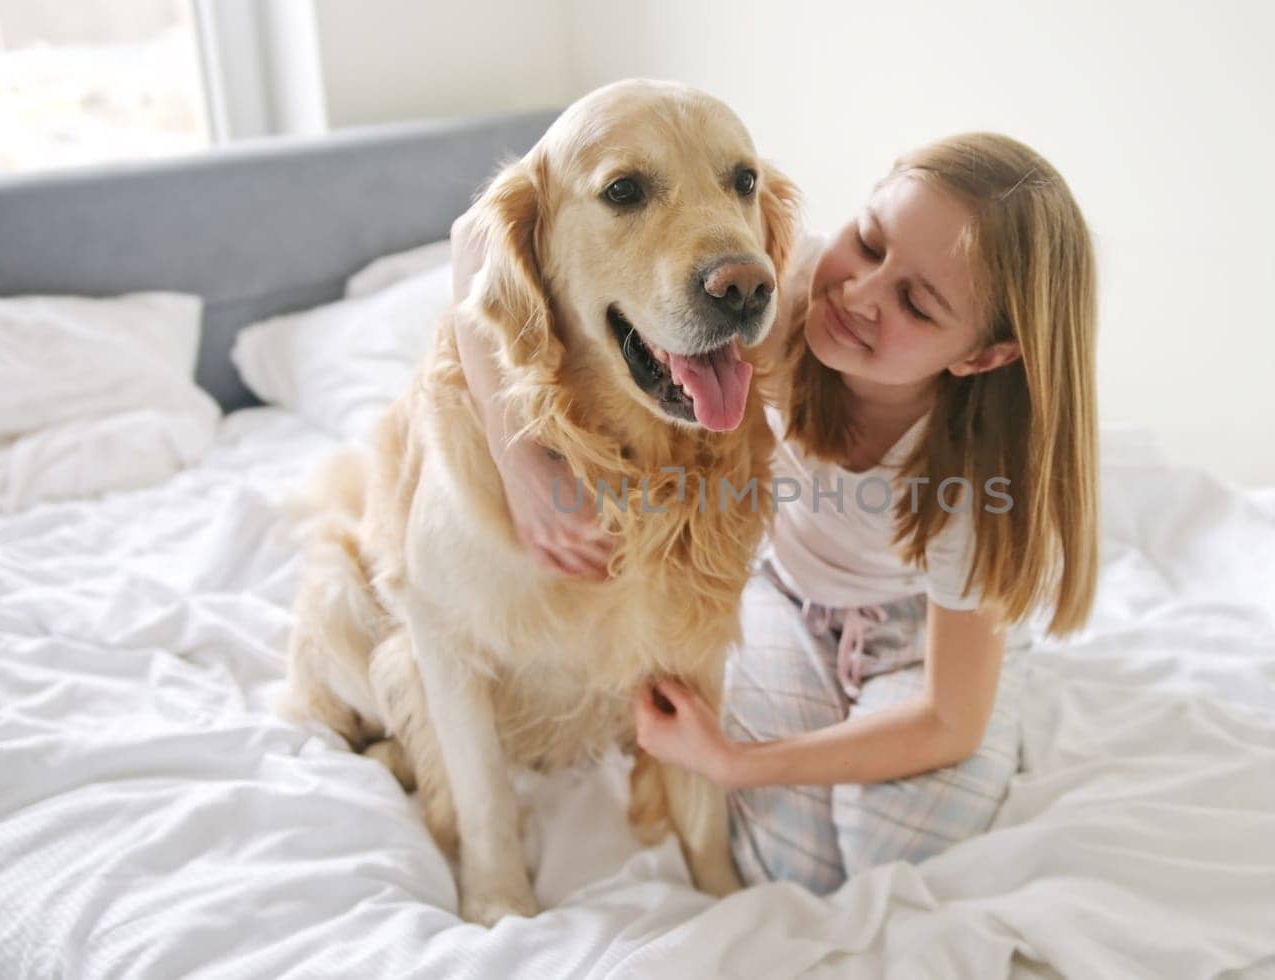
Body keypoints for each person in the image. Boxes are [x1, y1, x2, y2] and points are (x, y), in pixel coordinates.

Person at [451, 133, 1099, 895]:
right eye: (868, 242)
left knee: (895, 856)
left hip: (918, 633)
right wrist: (521, 462)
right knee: (792, 869)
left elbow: (945, 720)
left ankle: (1008, 674)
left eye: (916, 304)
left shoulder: (981, 487)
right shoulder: (778, 294)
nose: (858, 295)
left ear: (982, 356)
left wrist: (733, 762)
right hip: (783, 597)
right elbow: (472, 241)